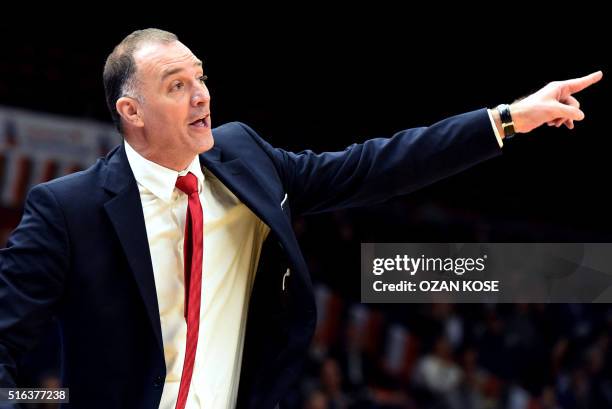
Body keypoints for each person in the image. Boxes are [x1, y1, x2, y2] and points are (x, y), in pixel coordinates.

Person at [0, 28, 602, 409]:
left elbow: (373, 166)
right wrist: (35, 400)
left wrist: (503, 119)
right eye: (177, 85)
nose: (202, 94)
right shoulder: (68, 209)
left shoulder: (246, 157)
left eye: (201, 77)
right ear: (131, 111)